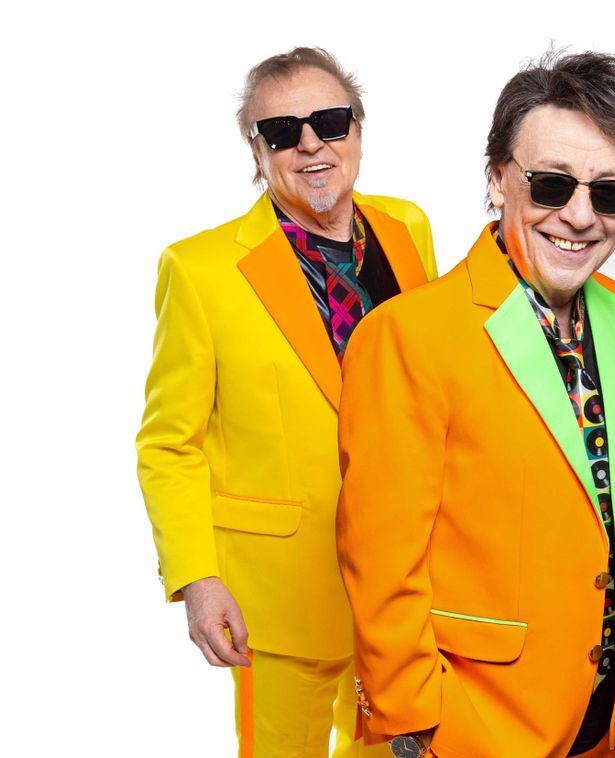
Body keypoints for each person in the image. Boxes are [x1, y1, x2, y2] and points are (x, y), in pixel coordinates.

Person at [335, 51, 615, 758]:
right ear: (496, 179)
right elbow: (380, 562)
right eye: (551, 184)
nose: (580, 216)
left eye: (608, 193)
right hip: (472, 726)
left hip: (602, 713)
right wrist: (418, 726)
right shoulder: (409, 334)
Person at [136, 47, 437, 757]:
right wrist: (197, 578)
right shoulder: (199, 270)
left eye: (329, 122)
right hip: (278, 596)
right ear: (257, 150)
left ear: (356, 130)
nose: (310, 144)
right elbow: (168, 442)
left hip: (405, 583)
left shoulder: (408, 229)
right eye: (281, 131)